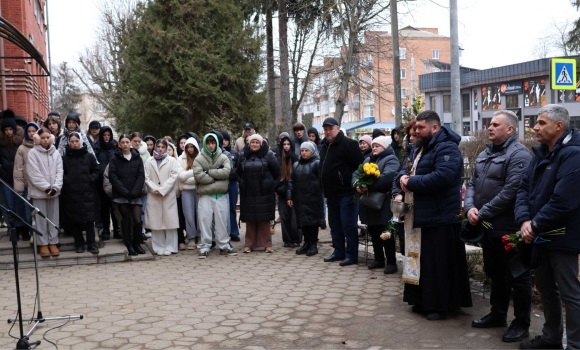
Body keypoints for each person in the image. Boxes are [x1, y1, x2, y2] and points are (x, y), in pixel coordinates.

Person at [393, 110, 472, 320]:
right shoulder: (418, 148)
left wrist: (411, 182)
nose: (416, 131)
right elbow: (404, 170)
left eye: (421, 128)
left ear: (434, 128)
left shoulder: (447, 148)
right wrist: (401, 181)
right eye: (415, 128)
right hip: (420, 216)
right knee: (422, 263)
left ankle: (440, 306)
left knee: (438, 265)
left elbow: (442, 177)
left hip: (441, 217)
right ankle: (422, 300)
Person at [464, 110, 533, 343]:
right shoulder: (485, 153)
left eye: (495, 124)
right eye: (489, 124)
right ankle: (498, 314)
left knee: (518, 277)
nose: (489, 128)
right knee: (495, 273)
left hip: (509, 228)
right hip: (487, 226)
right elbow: (472, 183)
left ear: (510, 130)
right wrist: (469, 207)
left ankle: (521, 323)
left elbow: (512, 191)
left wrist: (481, 212)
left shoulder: (519, 155)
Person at [515, 105, 580, 350]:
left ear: (559, 126)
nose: (535, 127)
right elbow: (523, 189)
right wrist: (524, 221)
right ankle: (552, 338)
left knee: (569, 292)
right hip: (538, 234)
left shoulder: (574, 154)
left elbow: (564, 200)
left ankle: (575, 345)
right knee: (545, 287)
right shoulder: (541, 153)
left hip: (563, 236)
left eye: (541, 123)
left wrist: (535, 224)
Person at [319, 117, 364, 266]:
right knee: (334, 224)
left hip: (347, 193)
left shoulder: (349, 144)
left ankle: (351, 255)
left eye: (330, 129)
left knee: (348, 225)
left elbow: (359, 166)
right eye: (325, 129)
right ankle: (338, 251)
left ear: (338, 128)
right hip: (331, 193)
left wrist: (354, 183)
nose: (327, 132)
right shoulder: (324, 145)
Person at [353, 136, 400, 274]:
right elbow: (356, 174)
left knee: (385, 232)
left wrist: (367, 186)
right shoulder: (368, 159)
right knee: (373, 231)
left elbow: (388, 177)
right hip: (370, 203)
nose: (374, 148)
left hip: (384, 202)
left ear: (384, 147)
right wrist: (357, 184)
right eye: (373, 146)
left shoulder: (391, 159)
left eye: (377, 146)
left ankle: (391, 262)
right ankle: (378, 259)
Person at [194, 133, 235, 258]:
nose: (211, 145)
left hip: (221, 195)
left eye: (213, 143)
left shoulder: (223, 157)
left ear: (216, 143)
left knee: (222, 222)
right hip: (205, 196)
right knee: (205, 221)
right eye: (208, 143)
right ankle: (205, 245)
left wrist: (209, 172)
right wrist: (217, 179)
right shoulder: (198, 159)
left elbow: (227, 172)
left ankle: (224, 245)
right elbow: (198, 175)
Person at [237, 134, 280, 253]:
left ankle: (267, 244)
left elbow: (277, 173)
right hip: (248, 193)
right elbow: (238, 173)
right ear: (249, 144)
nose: (254, 144)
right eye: (252, 142)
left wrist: (271, 185)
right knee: (250, 219)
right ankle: (249, 244)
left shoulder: (269, 155)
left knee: (264, 219)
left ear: (261, 144)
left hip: (264, 193)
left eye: (257, 142)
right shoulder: (243, 155)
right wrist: (242, 183)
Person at [27, 128, 63, 257]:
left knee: (53, 218)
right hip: (39, 192)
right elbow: (33, 173)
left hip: (54, 192)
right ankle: (43, 243)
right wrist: (46, 188)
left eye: (48, 137)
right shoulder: (33, 153)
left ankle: (53, 242)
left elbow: (60, 171)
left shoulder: (56, 153)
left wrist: (55, 188)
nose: (46, 140)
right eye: (43, 138)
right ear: (37, 138)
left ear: (51, 138)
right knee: (41, 218)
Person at [62, 133, 100, 254]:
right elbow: (61, 172)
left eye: (76, 141)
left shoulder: (89, 156)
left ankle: (92, 244)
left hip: (87, 193)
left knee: (89, 220)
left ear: (81, 141)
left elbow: (96, 170)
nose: (74, 144)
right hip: (71, 194)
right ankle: (79, 244)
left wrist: (91, 178)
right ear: (69, 142)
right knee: (75, 220)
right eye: (72, 141)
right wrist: (67, 181)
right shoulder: (65, 158)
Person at [109, 134, 146, 256]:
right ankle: (129, 245)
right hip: (121, 194)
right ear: (119, 144)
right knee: (126, 220)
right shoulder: (115, 158)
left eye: (127, 142)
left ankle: (137, 243)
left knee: (137, 221)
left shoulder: (137, 157)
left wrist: (135, 191)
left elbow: (141, 176)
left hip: (135, 194)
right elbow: (113, 177)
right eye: (122, 142)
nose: (125, 144)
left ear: (130, 143)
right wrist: (124, 191)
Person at [287, 141, 324, 256]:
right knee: (303, 222)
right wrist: (289, 196)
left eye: (306, 151)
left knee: (312, 222)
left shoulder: (317, 163)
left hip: (313, 198)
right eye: (302, 150)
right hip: (299, 198)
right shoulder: (296, 165)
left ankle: (313, 244)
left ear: (312, 152)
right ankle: (306, 243)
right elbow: (291, 181)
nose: (304, 153)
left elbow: (321, 180)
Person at [145, 139, 179, 256]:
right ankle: (158, 246)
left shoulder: (172, 160)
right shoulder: (149, 160)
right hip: (154, 195)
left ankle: (170, 246)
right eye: (158, 146)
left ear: (166, 148)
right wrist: (154, 188)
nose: (160, 149)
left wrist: (163, 190)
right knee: (156, 222)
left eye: (162, 147)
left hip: (168, 195)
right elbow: (146, 177)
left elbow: (174, 176)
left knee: (170, 221)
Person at [0, 111, 25, 238]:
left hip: (19, 178)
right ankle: (13, 228)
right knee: (9, 205)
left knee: (21, 203)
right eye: (6, 129)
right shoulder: (1, 144)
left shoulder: (20, 144)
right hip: (5, 178)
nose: (9, 132)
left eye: (11, 129)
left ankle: (23, 227)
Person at [13, 121, 40, 241]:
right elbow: (18, 169)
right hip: (27, 186)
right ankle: (32, 234)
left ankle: (43, 234)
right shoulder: (22, 148)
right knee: (29, 212)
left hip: (41, 186)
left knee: (41, 211)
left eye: (33, 131)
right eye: (29, 131)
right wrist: (19, 188)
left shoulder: (42, 145)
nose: (31, 133)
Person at [93, 126, 120, 240]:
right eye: (104, 135)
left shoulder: (115, 146)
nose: (106, 137)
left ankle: (117, 229)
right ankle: (105, 229)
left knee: (115, 206)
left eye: (108, 135)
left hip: (115, 181)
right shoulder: (97, 147)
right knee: (104, 206)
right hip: (101, 181)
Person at [275, 133, 300, 247]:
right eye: (284, 144)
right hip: (282, 192)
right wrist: (278, 187)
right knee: (284, 217)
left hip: (294, 192)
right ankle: (287, 240)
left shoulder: (295, 158)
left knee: (294, 218)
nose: (286, 146)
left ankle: (296, 239)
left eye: (288, 144)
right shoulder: (278, 159)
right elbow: (275, 175)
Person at [177, 137, 200, 249]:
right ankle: (191, 237)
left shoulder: (200, 158)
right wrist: (194, 173)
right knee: (188, 215)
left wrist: (188, 177)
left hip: (199, 190)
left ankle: (200, 236)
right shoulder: (181, 159)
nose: (190, 149)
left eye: (192, 147)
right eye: (188, 147)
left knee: (200, 214)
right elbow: (180, 176)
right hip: (186, 191)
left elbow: (201, 176)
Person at [221, 130, 240, 241]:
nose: (224, 142)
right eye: (222, 140)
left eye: (226, 140)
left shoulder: (234, 153)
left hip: (232, 183)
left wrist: (232, 174)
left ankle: (234, 232)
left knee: (232, 208)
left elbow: (238, 168)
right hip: (221, 183)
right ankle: (223, 232)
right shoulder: (218, 153)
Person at [131, 132, 151, 240]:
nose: (137, 143)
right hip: (131, 186)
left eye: (139, 141)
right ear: (131, 141)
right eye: (135, 141)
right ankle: (132, 232)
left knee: (142, 210)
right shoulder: (127, 151)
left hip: (143, 186)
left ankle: (141, 231)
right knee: (132, 211)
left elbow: (149, 168)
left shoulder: (146, 153)